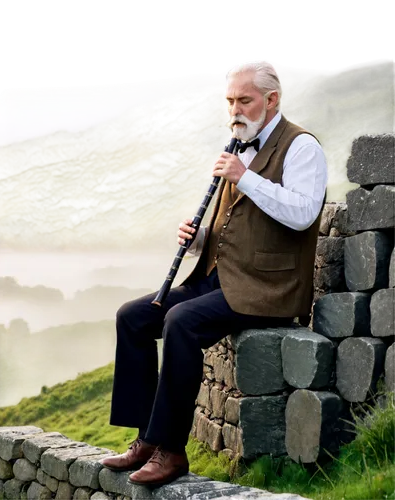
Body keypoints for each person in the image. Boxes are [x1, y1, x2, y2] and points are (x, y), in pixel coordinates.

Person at [100, 59, 329, 486]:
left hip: (269, 288)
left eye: (244, 100)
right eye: (229, 101)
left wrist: (245, 177)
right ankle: (145, 440)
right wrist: (200, 237)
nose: (234, 110)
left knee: (180, 321)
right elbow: (235, 224)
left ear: (272, 99)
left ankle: (171, 451)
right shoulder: (238, 144)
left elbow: (302, 214)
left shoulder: (301, 147)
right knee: (132, 316)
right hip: (219, 280)